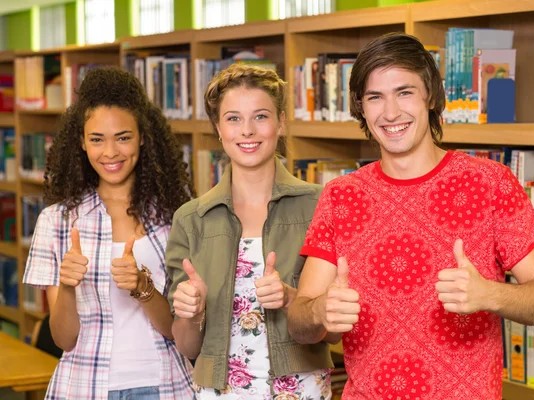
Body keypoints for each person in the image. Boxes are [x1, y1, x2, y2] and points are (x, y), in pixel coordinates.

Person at [287, 32, 534, 400]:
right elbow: (298, 321)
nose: (390, 113)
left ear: (431, 96)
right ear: (360, 107)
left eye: (404, 92)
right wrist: (319, 312)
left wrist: (490, 295)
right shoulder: (341, 195)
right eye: (375, 97)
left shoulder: (491, 182)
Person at [22, 67, 197, 400]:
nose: (111, 152)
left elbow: (178, 332)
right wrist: (69, 287)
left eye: (123, 137)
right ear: (82, 143)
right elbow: (64, 340)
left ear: (143, 137)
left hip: (164, 386)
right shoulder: (56, 222)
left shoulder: (175, 217)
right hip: (83, 388)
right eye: (97, 139)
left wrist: (142, 287)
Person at [166, 63, 333, 399]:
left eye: (260, 116)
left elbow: (334, 333)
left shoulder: (320, 205)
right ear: (218, 128)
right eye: (233, 118)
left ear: (281, 121)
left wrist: (291, 299)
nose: (247, 131)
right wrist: (193, 313)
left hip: (300, 389)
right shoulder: (191, 219)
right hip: (220, 391)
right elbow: (185, 344)